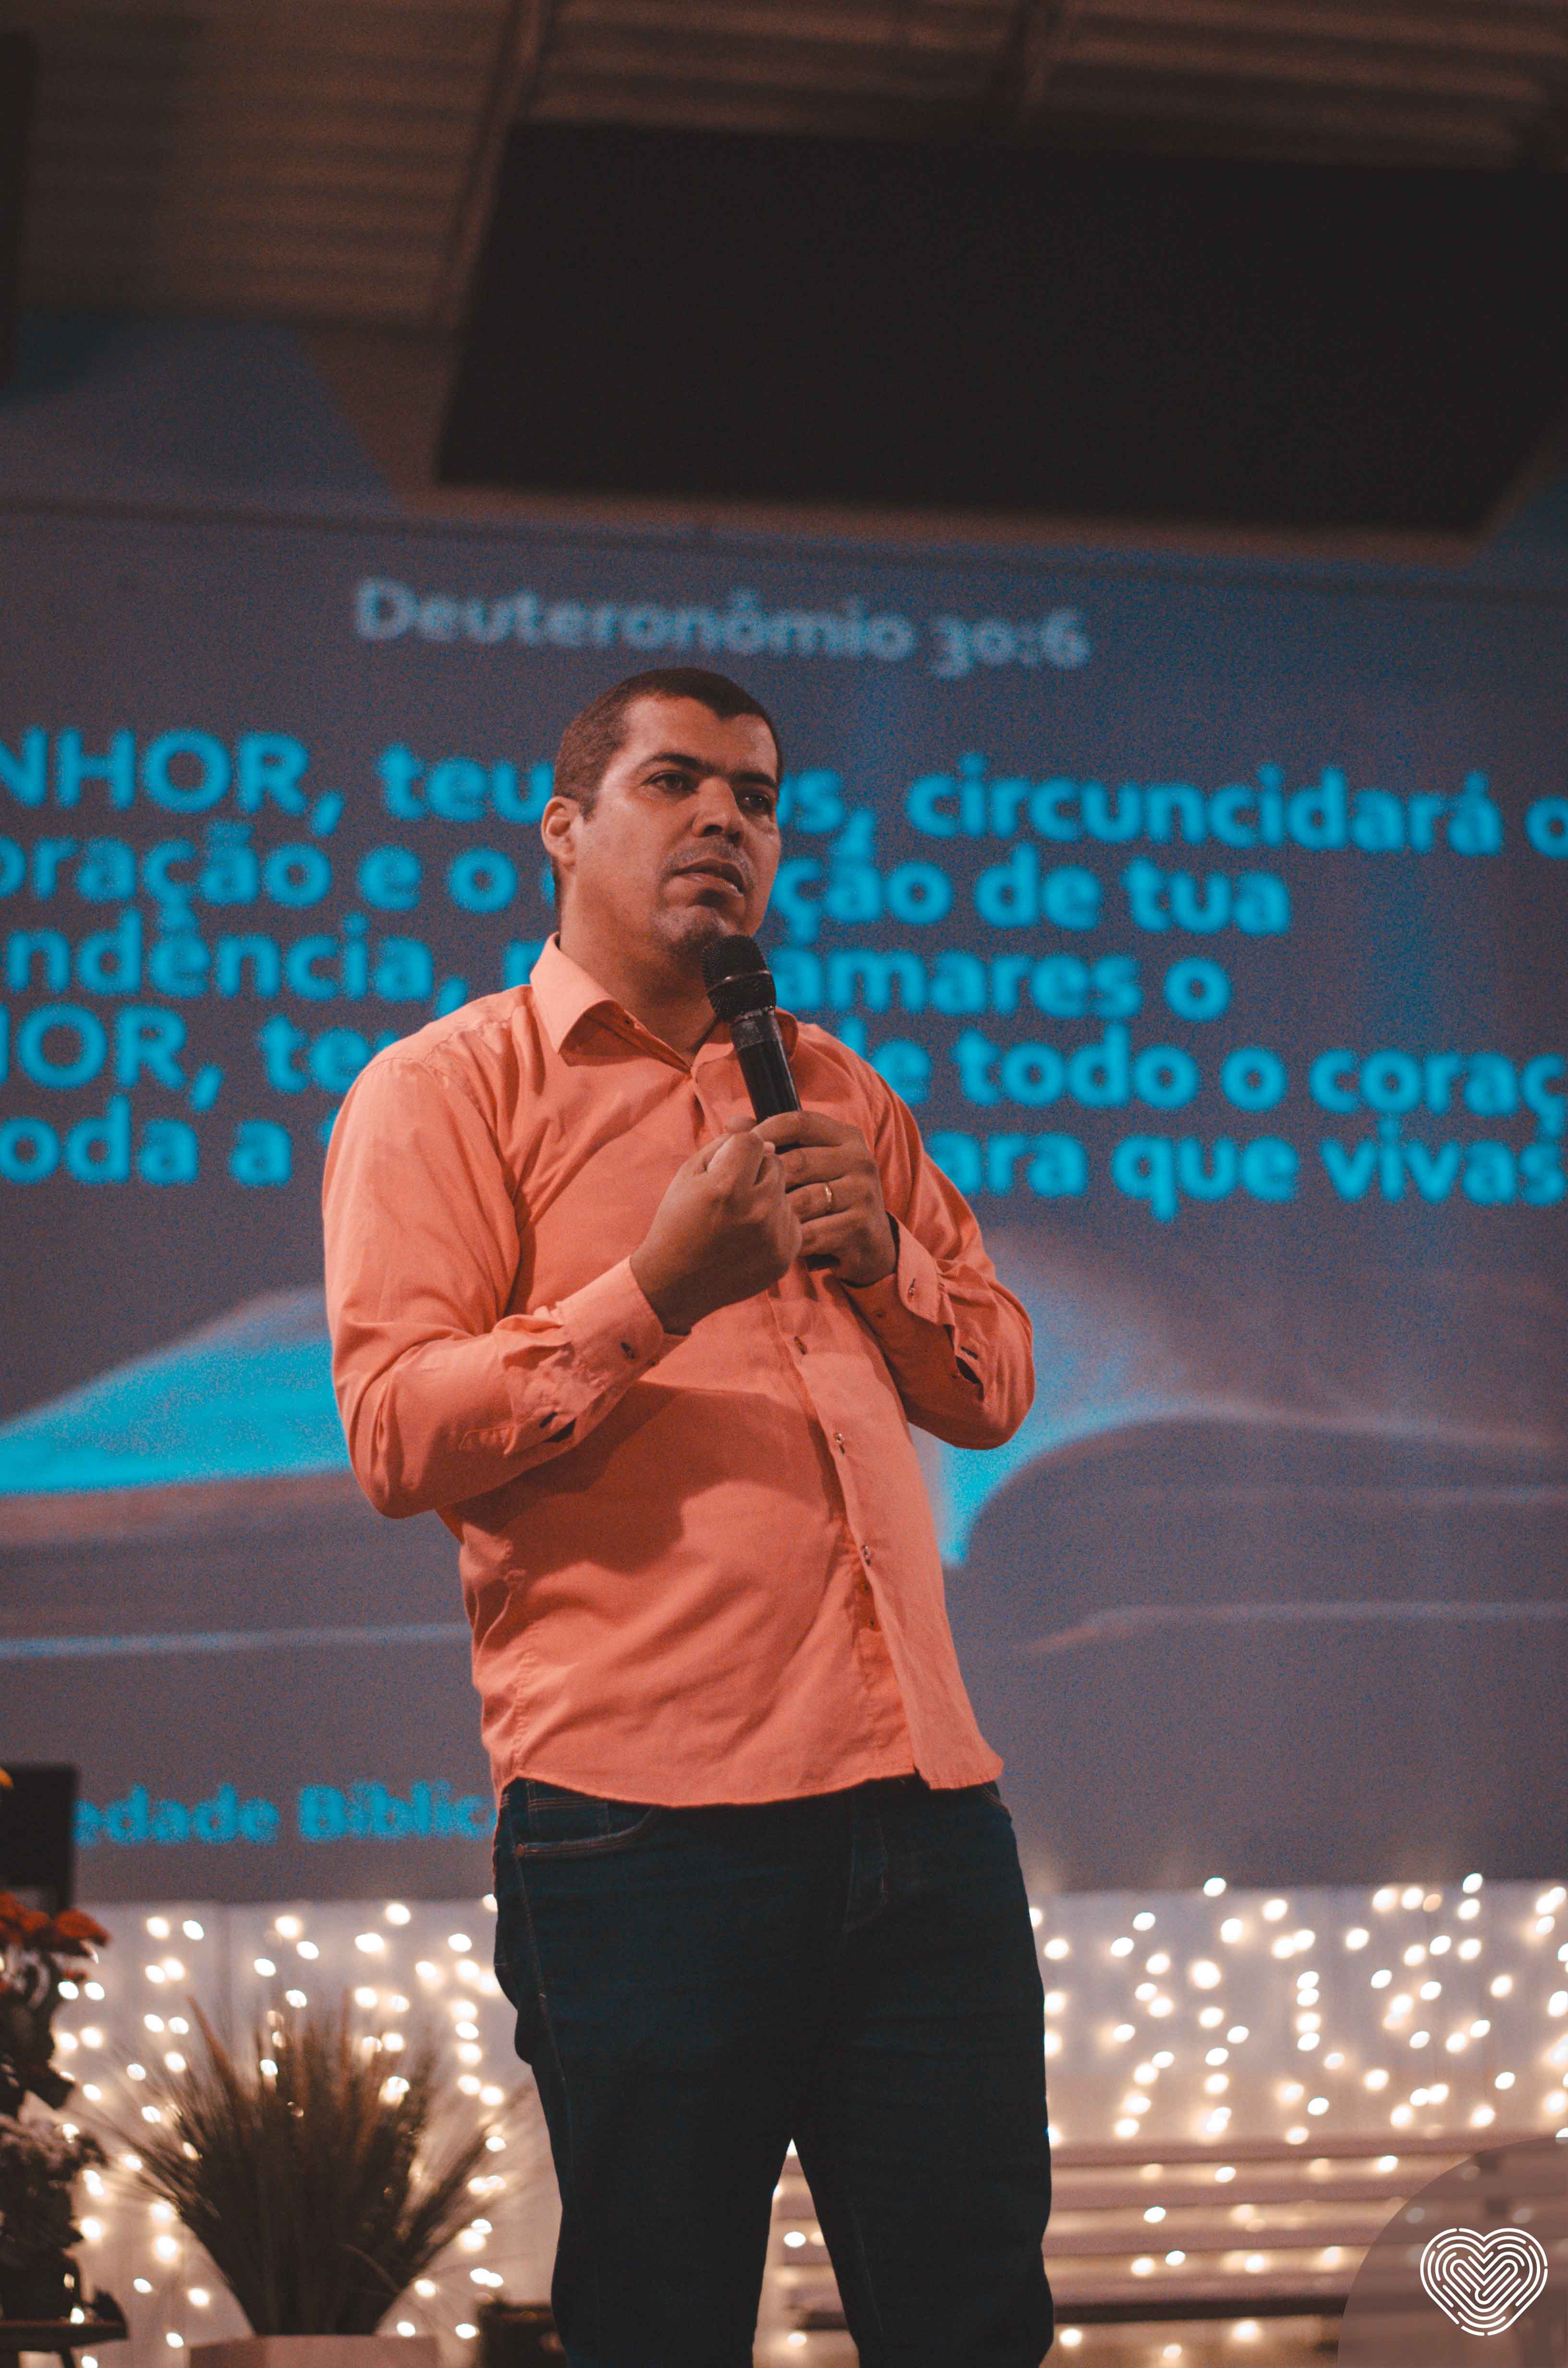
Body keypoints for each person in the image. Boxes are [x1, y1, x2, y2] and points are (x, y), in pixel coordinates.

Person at [322, 666, 1053, 2368]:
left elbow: (996, 1384)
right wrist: (654, 1288)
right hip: (643, 1832)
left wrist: (888, 1269)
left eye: (760, 797)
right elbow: (394, 1430)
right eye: (677, 783)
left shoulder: (835, 1085)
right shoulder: (446, 1089)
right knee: (663, 2329)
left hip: (926, 1814)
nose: (728, 819)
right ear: (565, 829)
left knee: (974, 2328)